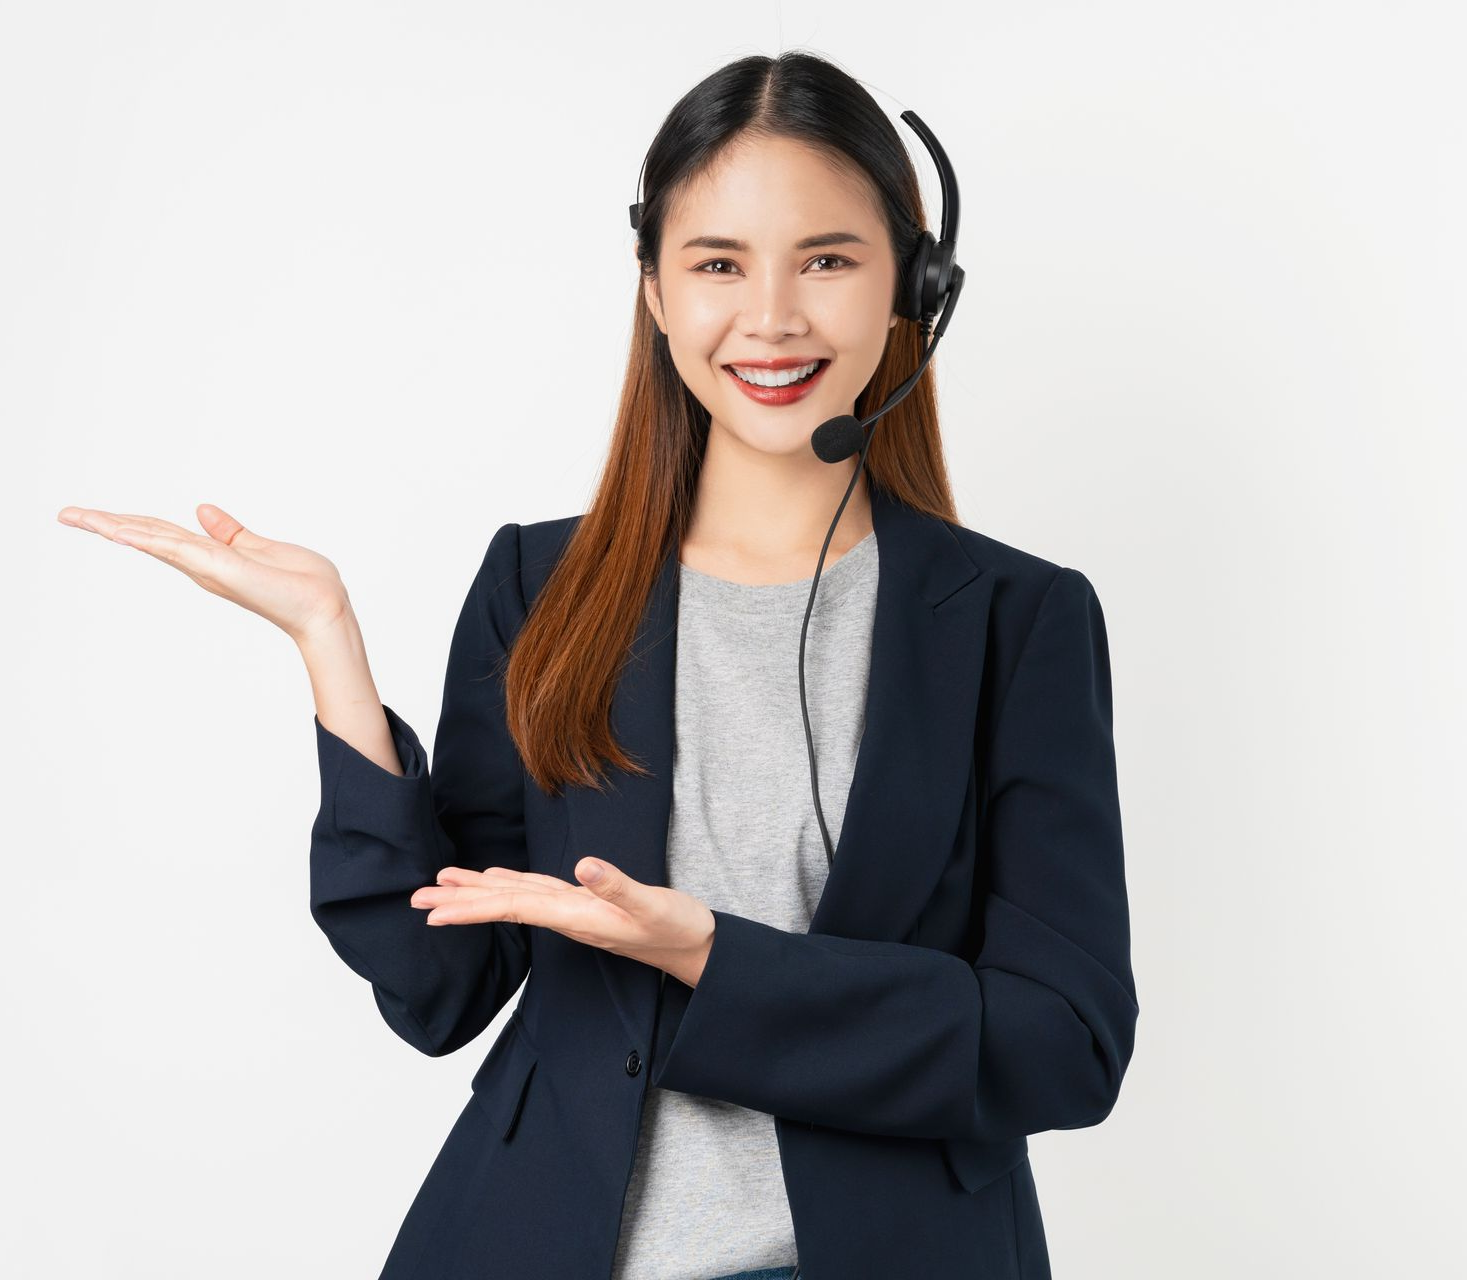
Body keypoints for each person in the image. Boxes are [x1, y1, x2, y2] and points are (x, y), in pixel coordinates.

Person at [57, 49, 1137, 1280]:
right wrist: (330, 650)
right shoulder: (540, 585)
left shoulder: (1015, 617)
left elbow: (1066, 1042)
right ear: (655, 291)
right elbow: (440, 982)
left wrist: (708, 956)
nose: (772, 315)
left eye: (827, 259)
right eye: (718, 263)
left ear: (911, 285)